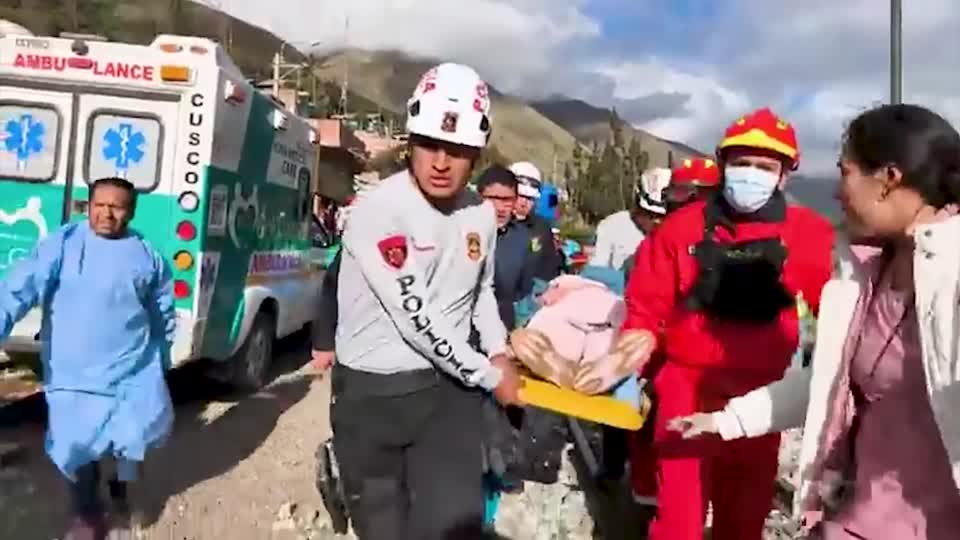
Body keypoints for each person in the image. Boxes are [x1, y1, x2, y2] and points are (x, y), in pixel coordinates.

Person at [669, 103, 960, 540]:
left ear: (888, 179)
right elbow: (831, 381)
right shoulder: (867, 270)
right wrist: (728, 420)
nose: (838, 193)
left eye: (845, 172)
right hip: (851, 518)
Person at [605, 107, 834, 540]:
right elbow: (646, 307)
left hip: (763, 400)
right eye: (741, 163)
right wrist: (631, 359)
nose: (751, 174)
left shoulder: (809, 234)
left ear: (785, 176)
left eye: (764, 167)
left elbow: (838, 312)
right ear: (722, 163)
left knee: (744, 521)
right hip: (685, 395)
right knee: (678, 522)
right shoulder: (678, 230)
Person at [330, 62, 523, 540]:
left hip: (447, 395)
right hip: (373, 397)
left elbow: (482, 292)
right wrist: (489, 374)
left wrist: (498, 347)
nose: (441, 162)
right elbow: (416, 315)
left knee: (453, 527)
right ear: (410, 142)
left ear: (476, 154)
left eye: (457, 150)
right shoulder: (379, 211)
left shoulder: (480, 213)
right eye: (430, 145)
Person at [0, 177, 175, 540]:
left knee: (133, 435)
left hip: (131, 367)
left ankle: (121, 487)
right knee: (76, 446)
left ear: (130, 212)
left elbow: (162, 311)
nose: (106, 213)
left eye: (117, 207)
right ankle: (88, 513)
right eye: (99, 205)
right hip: (73, 373)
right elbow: (18, 288)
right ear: (88, 205)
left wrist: (161, 353)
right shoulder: (63, 245)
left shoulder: (146, 255)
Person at [590, 167, 671, 271]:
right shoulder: (611, 226)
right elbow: (597, 271)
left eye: (662, 217)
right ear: (638, 207)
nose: (656, 222)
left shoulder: (675, 233)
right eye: (650, 215)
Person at [509, 161, 563, 280]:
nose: (524, 204)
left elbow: (549, 270)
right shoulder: (496, 225)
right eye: (520, 196)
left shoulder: (541, 229)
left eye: (529, 199)